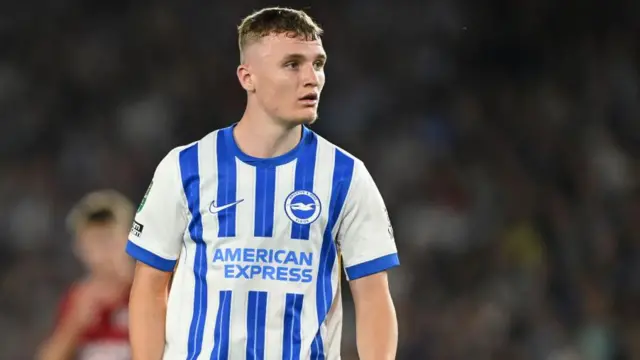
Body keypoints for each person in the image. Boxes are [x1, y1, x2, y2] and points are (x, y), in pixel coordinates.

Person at [126, 7, 399, 360]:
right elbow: (149, 286)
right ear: (247, 77)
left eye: (318, 64)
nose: (312, 78)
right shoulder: (185, 166)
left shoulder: (346, 175)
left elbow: (373, 296)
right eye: (292, 64)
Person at [37, 190, 135, 360]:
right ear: (80, 249)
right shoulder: (78, 299)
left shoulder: (154, 292)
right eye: (93, 241)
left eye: (109, 238)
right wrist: (74, 325)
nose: (103, 251)